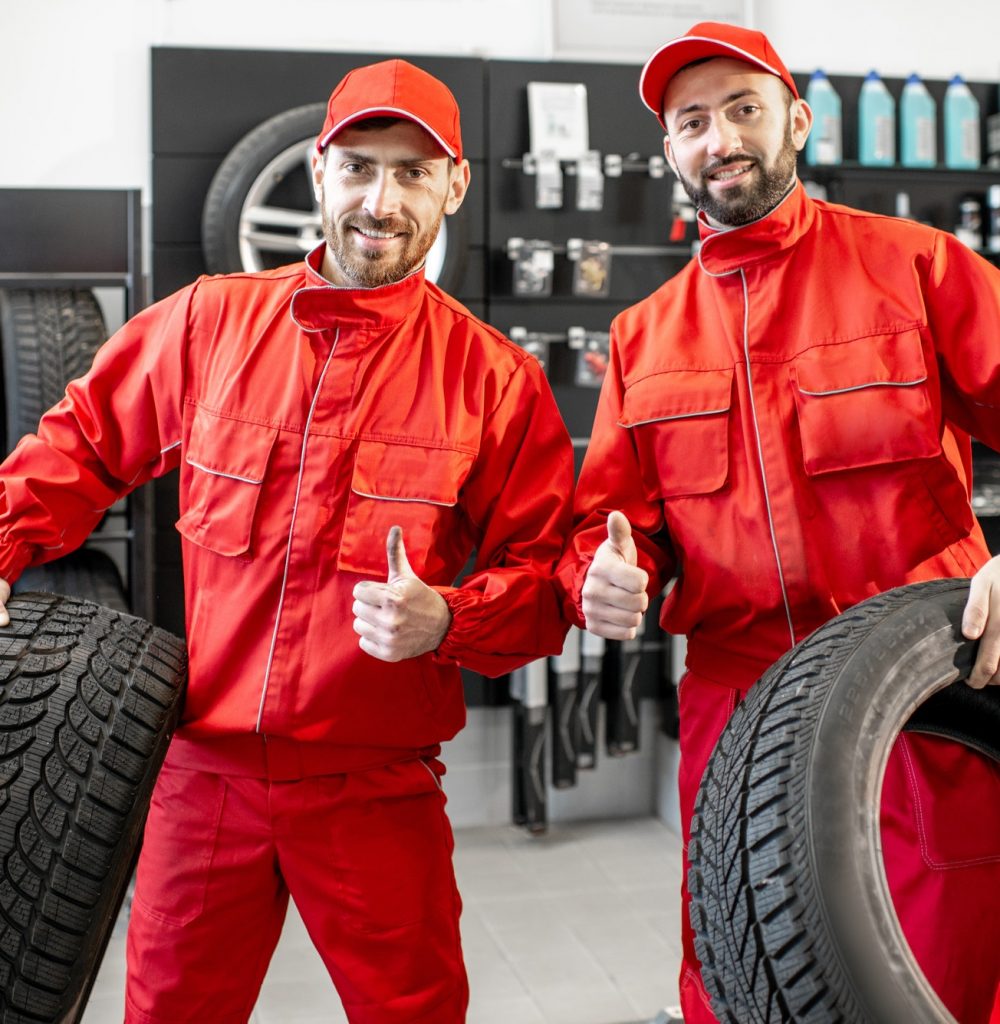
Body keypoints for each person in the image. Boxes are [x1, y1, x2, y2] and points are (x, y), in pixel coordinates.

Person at [0, 59, 573, 1023]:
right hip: (206, 776)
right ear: (318, 171)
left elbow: (546, 583)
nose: (379, 200)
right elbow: (81, 446)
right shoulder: (209, 324)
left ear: (454, 186)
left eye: (410, 172)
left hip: (376, 786)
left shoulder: (495, 380)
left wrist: (448, 620)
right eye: (357, 167)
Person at [557, 21, 1000, 1024]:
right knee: (735, 976)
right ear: (669, 151)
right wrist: (603, 570)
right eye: (692, 122)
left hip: (923, 700)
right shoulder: (641, 337)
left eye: (743, 109)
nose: (721, 139)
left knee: (946, 974)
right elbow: (614, 520)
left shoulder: (916, 266)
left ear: (796, 120)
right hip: (738, 710)